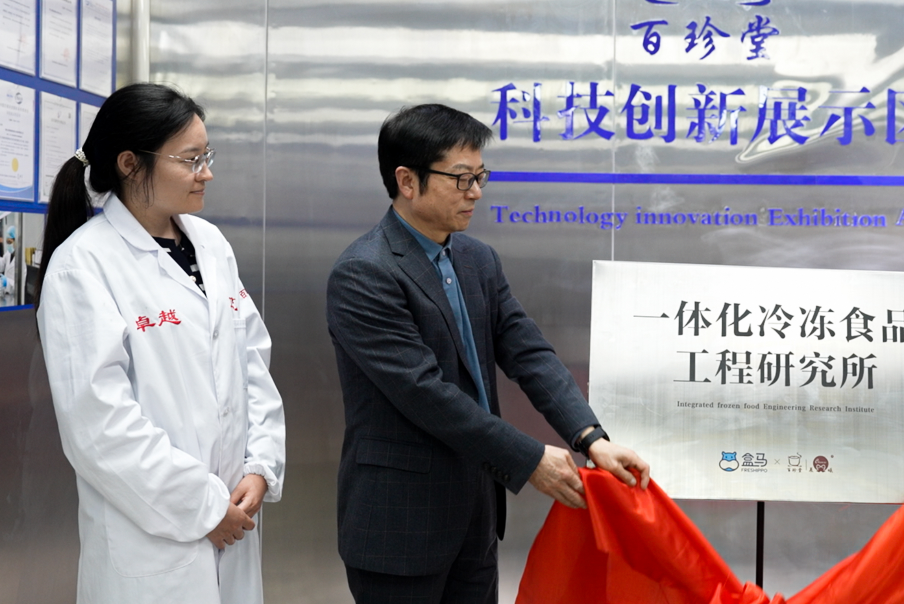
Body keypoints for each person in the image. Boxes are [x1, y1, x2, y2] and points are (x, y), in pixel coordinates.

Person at [327, 103, 650, 604]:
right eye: (461, 179)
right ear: (407, 180)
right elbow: (425, 393)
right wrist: (530, 459)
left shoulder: (477, 260)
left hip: (475, 520)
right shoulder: (365, 273)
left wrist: (591, 438)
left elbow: (529, 352)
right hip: (400, 526)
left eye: (480, 176)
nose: (476, 192)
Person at [36, 83, 286, 604]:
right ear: (131, 164)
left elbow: (253, 365)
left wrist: (261, 466)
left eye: (207, 156)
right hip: (152, 548)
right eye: (191, 160)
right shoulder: (83, 266)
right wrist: (202, 507)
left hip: (234, 522)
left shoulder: (211, 245)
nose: (206, 173)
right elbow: (99, 427)